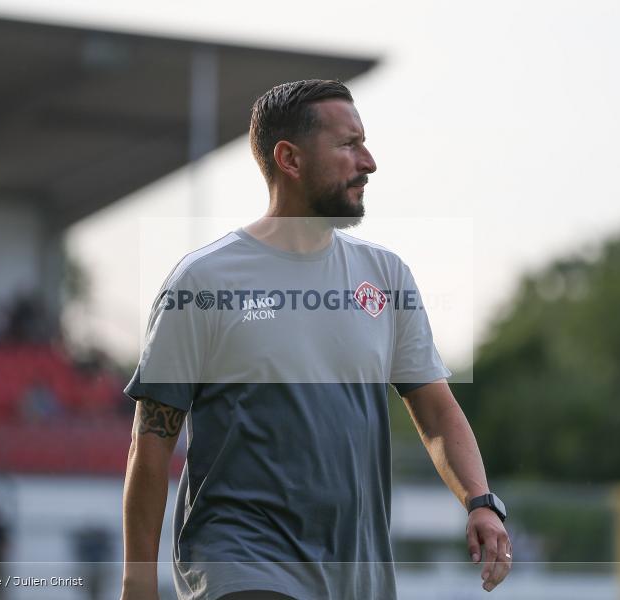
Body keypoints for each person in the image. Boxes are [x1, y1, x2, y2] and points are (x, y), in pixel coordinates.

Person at [121, 79, 512, 600]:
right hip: (242, 563)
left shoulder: (386, 276)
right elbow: (150, 446)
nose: (368, 161)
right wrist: (137, 582)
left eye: (364, 143)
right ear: (290, 158)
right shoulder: (203, 283)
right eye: (348, 145)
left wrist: (481, 500)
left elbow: (437, 411)